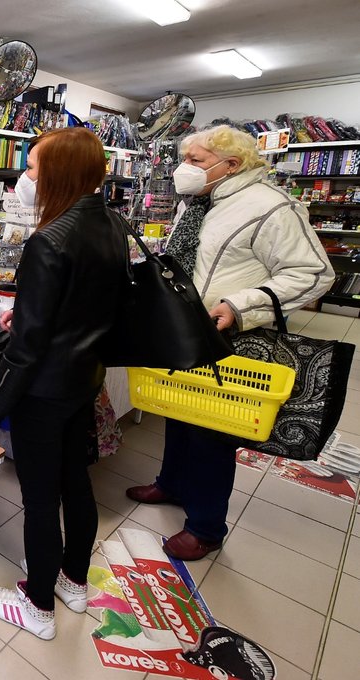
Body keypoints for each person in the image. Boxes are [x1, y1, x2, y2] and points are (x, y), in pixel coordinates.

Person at [126, 125, 334, 561]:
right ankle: (172, 484)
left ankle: (205, 526)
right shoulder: (202, 201)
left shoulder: (271, 207)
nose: (186, 169)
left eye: (197, 161)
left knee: (211, 430)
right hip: (188, 330)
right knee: (178, 412)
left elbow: (313, 273)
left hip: (234, 335)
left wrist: (241, 306)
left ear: (231, 164)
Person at [0, 127, 130, 641]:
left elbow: (27, 349)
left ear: (58, 173)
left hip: (43, 390)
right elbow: (92, 304)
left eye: (35, 168)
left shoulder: (49, 239)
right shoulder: (111, 224)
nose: (27, 178)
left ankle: (37, 605)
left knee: (41, 499)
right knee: (76, 482)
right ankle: (73, 581)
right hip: (84, 381)